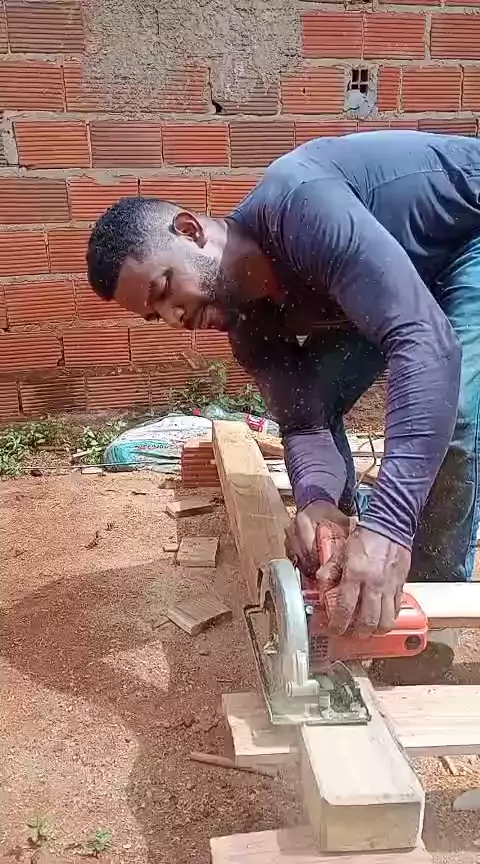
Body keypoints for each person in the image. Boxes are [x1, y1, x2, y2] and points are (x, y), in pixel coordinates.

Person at [86, 130, 480, 674]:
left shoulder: (301, 209)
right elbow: (305, 422)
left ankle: (427, 624)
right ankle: (351, 574)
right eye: (158, 315)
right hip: (390, 278)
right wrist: (318, 502)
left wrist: (390, 524)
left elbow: (423, 342)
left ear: (190, 230)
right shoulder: (246, 321)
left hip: (463, 237)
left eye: (164, 289)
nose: (176, 318)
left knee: (454, 413)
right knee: (323, 402)